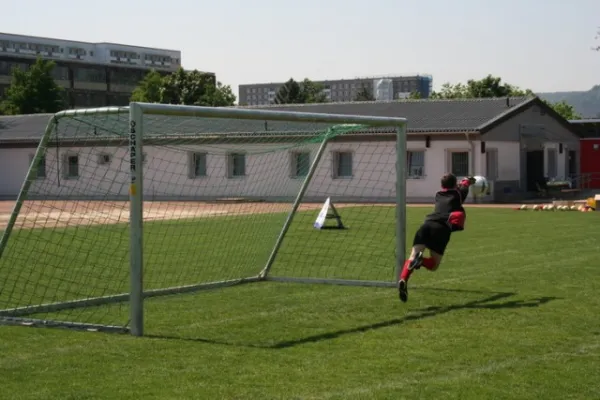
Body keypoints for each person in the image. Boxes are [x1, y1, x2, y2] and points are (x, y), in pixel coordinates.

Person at [397, 173, 476, 303]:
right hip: (441, 228)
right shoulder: (458, 194)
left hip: (426, 224)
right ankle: (421, 261)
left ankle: (403, 279)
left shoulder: (438, 194)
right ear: (455, 184)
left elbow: (456, 186)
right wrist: (469, 180)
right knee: (434, 265)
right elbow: (465, 185)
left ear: (441, 185)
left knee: (412, 257)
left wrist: (461, 183)